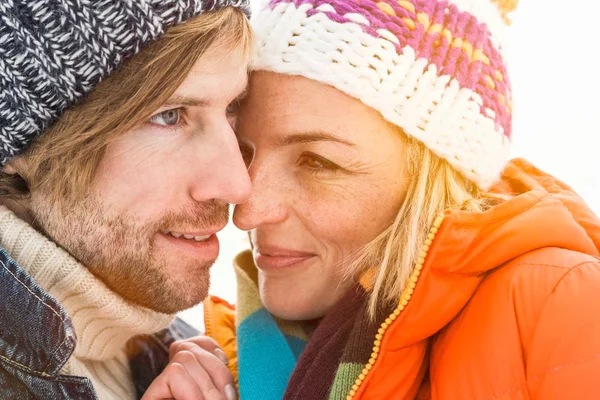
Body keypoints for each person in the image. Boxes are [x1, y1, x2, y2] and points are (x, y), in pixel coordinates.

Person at [172, 0, 600, 398]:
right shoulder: (220, 364)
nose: (248, 212)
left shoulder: (558, 305)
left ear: (435, 182)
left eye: (316, 162)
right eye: (244, 153)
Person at [0, 1, 254, 399]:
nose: (237, 185)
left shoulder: (195, 357)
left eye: (233, 108)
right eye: (169, 115)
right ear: (26, 146)